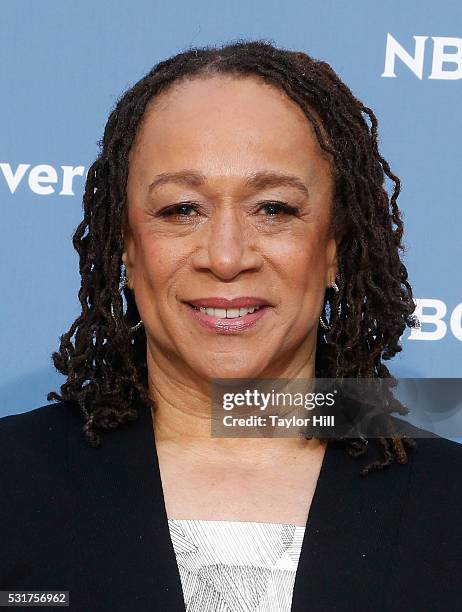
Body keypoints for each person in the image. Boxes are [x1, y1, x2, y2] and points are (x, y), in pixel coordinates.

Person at [1, 39, 461, 612]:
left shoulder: (448, 501)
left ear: (336, 246)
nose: (224, 256)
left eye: (273, 208)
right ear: (126, 244)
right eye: (180, 209)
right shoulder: (13, 481)